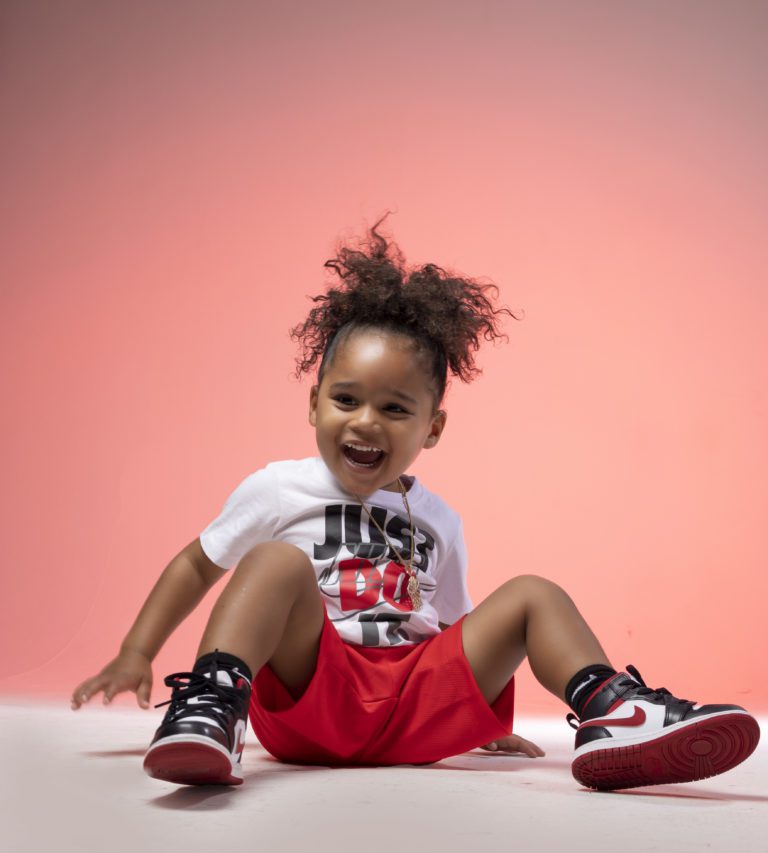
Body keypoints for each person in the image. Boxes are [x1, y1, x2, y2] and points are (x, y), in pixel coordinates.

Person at [70, 213, 760, 792]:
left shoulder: (439, 519)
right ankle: (212, 707)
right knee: (277, 562)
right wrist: (137, 650)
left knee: (531, 593)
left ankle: (609, 709)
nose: (366, 421)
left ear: (432, 427)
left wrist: (478, 714)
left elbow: (454, 628)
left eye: (395, 408)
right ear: (313, 402)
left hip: (412, 705)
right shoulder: (281, 487)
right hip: (318, 693)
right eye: (345, 399)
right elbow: (197, 564)